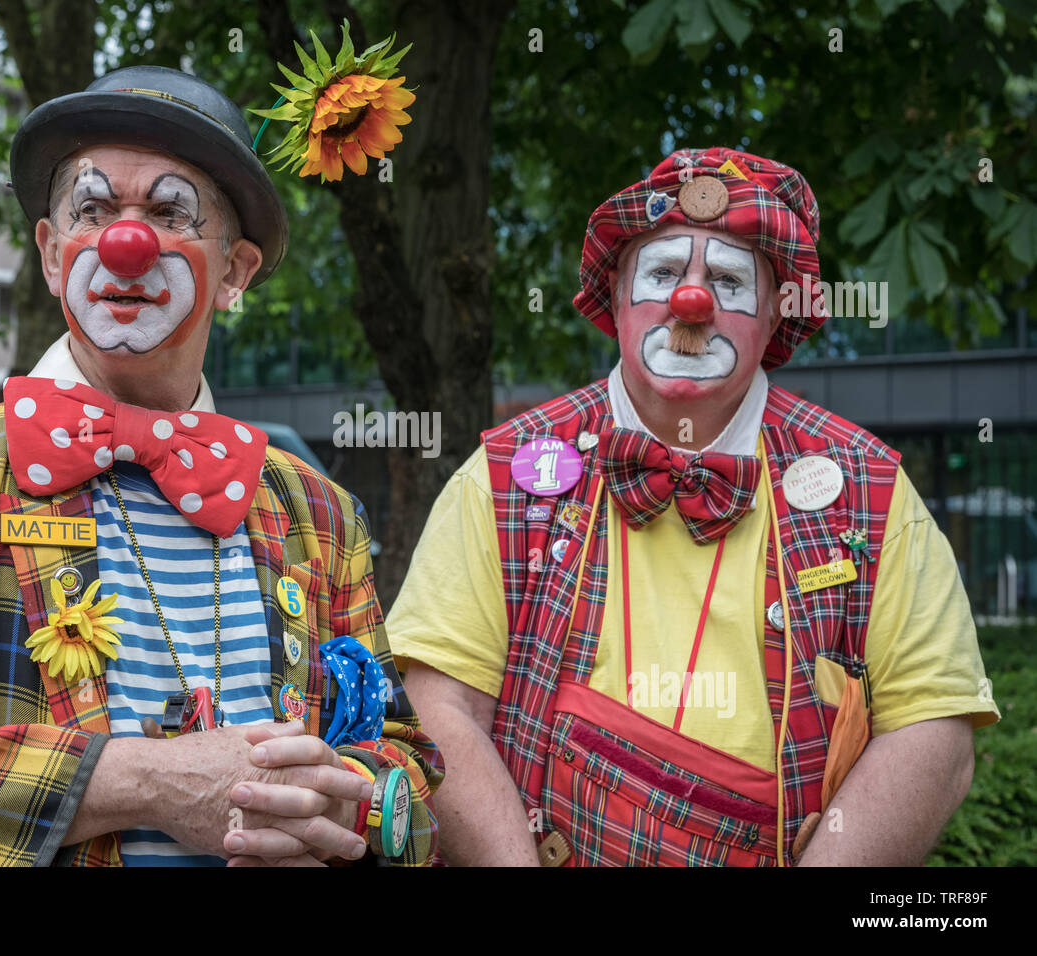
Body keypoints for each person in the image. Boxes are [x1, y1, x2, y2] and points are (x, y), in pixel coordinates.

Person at [0, 66, 441, 867]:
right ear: (55, 255)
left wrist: (347, 800)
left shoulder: (319, 511)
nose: (125, 242)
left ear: (234, 273)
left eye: (169, 211)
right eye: (93, 211)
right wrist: (143, 781)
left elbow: (409, 773)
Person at [386, 146, 998, 866]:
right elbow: (436, 707)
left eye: (730, 279)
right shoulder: (501, 477)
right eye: (666, 273)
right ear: (615, 297)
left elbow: (933, 730)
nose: (692, 302)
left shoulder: (870, 488)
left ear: (775, 313)